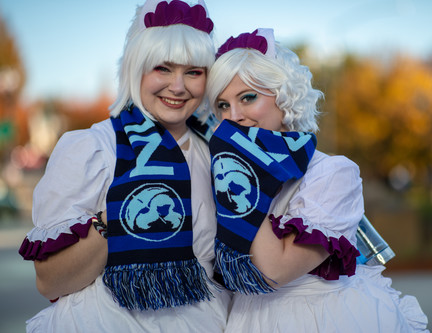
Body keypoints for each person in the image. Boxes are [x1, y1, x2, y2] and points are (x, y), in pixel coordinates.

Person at [18, 1, 231, 332]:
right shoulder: (92, 148)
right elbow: (50, 282)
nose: (178, 86)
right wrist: (124, 213)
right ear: (135, 69)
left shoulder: (218, 151)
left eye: (193, 72)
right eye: (162, 68)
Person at [206, 28, 429, 332]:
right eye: (222, 105)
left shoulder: (332, 172)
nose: (233, 116)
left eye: (248, 97)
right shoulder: (215, 171)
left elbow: (274, 270)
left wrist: (239, 172)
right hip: (247, 319)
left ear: (284, 97)